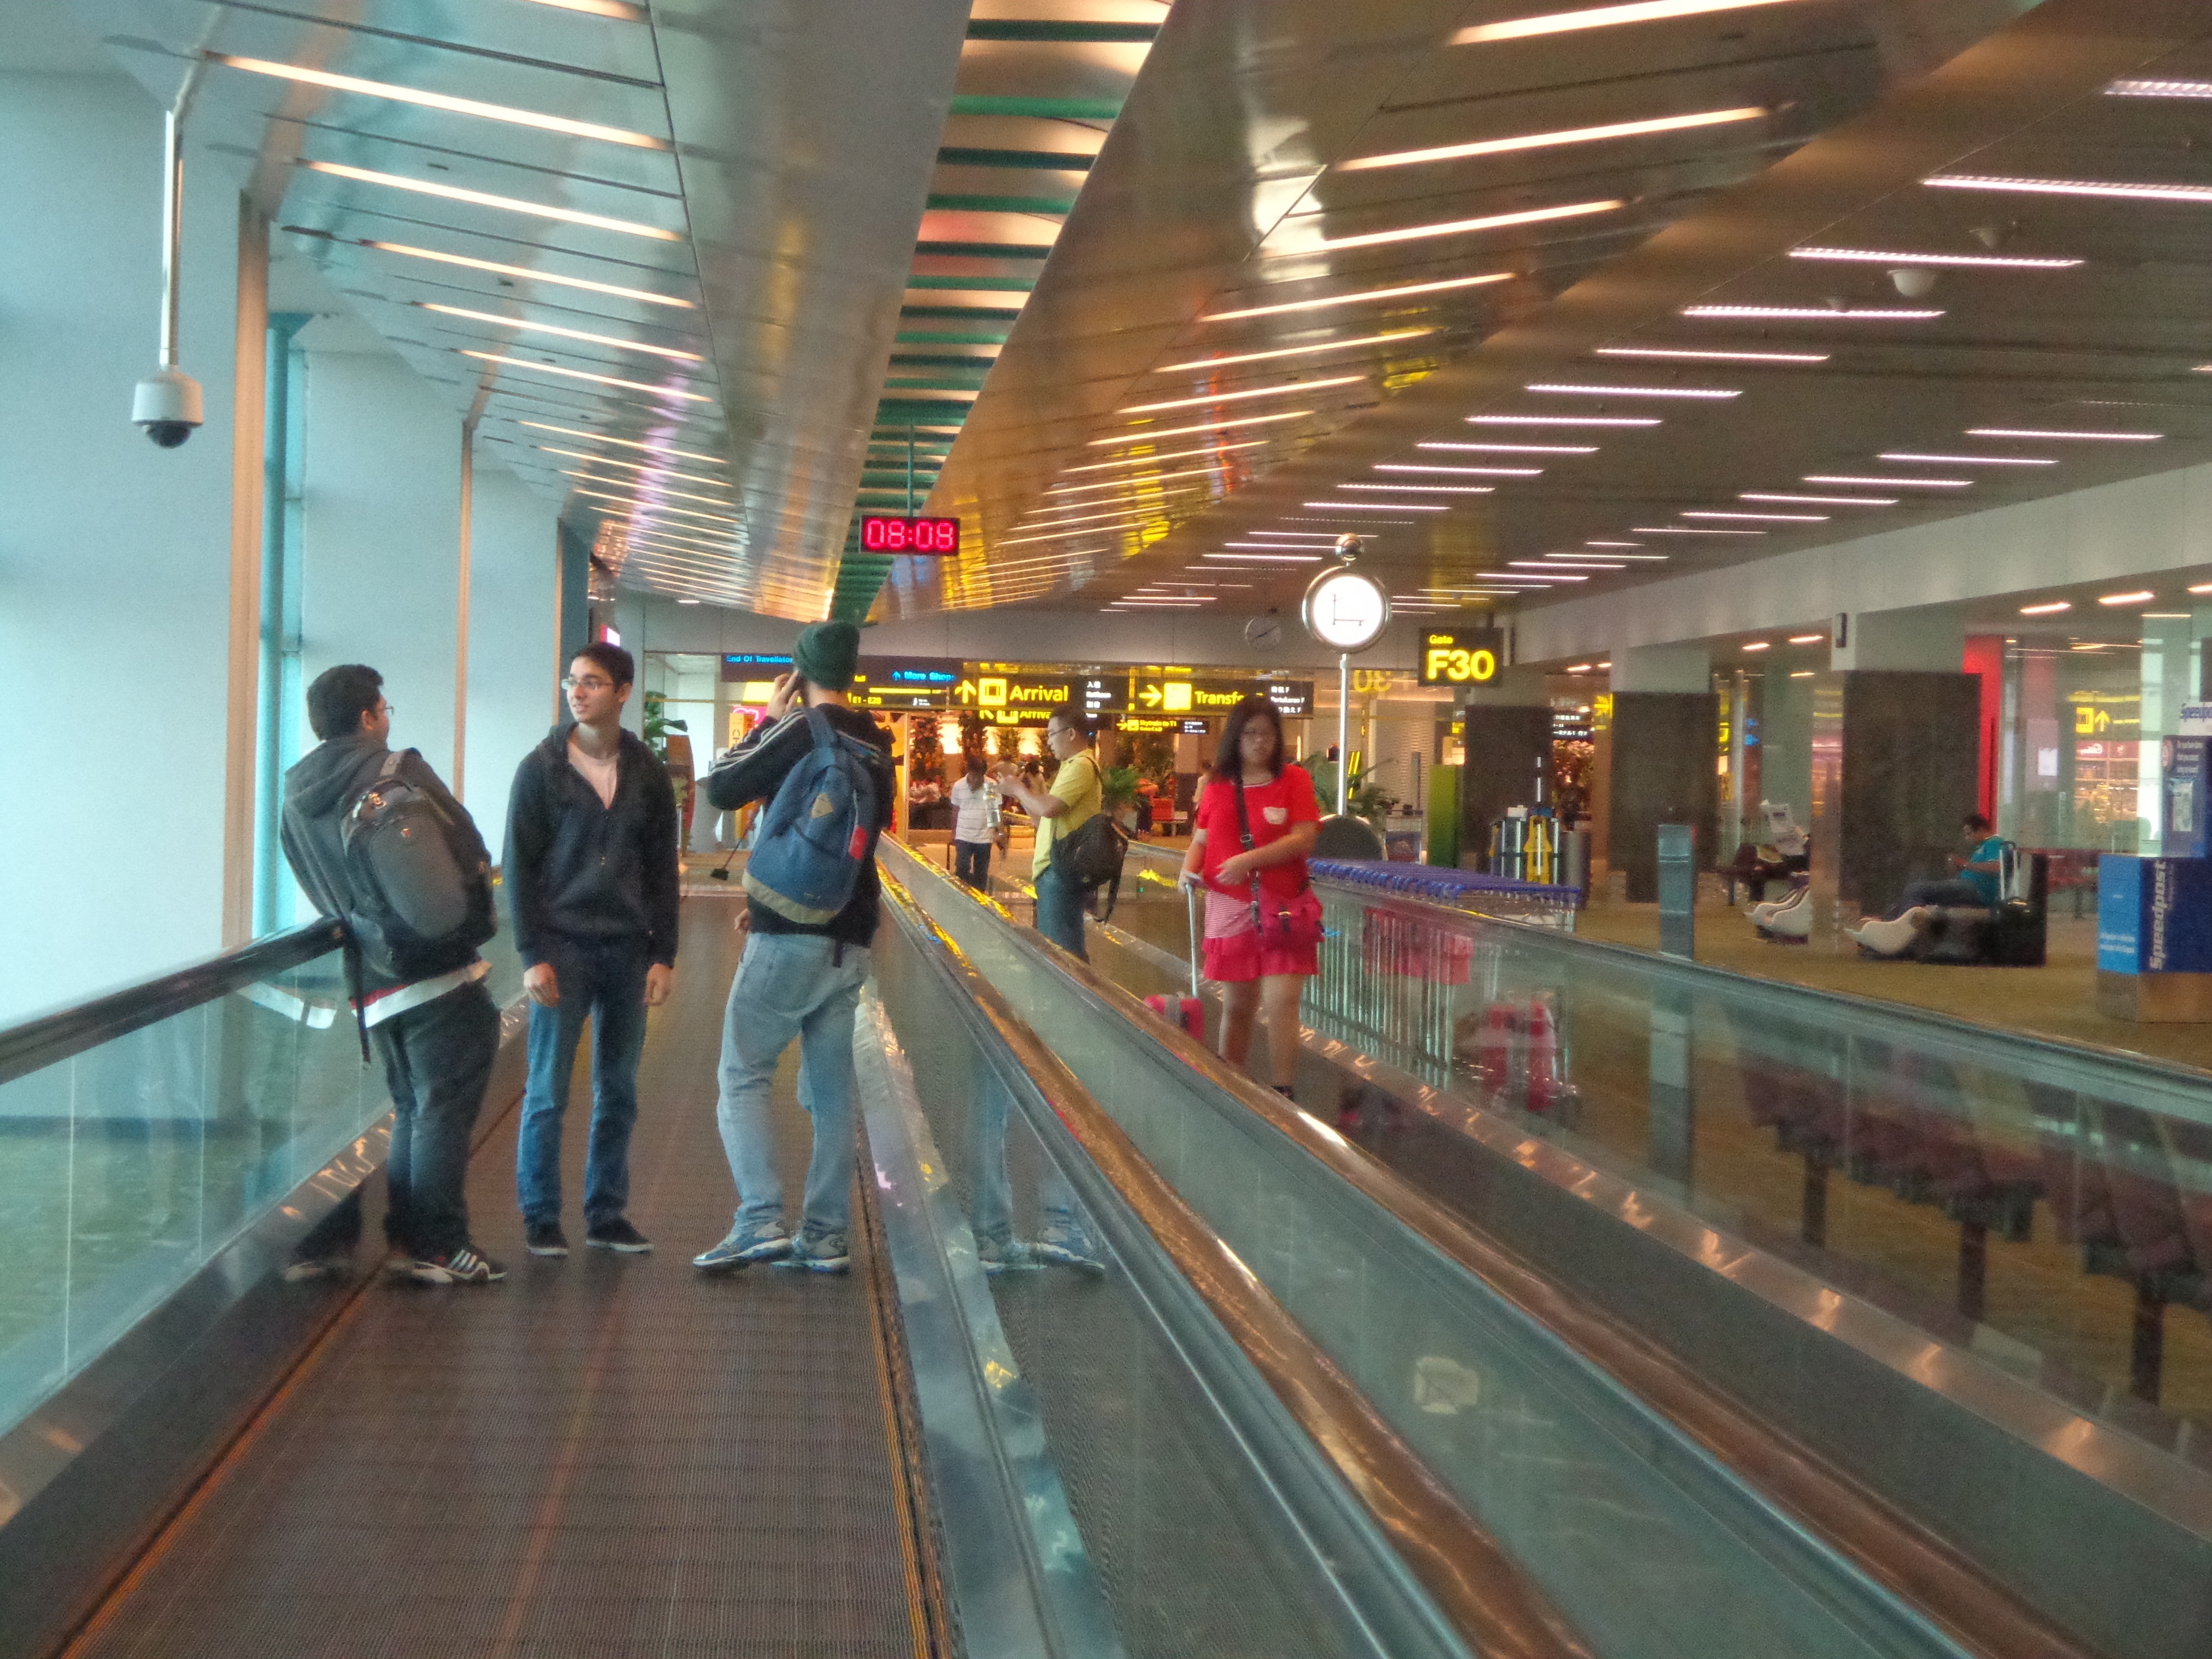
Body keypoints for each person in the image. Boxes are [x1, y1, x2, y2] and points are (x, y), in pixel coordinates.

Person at [279, 664, 505, 1286]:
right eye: (385, 708)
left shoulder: (296, 797)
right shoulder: (396, 770)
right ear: (368, 716)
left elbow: (314, 884)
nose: (388, 718)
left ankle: (415, 1240)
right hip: (437, 971)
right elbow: (466, 842)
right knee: (439, 1109)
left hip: (371, 979)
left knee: (413, 1105)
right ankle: (434, 1243)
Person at [692, 621, 895, 1276]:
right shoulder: (877, 741)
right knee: (833, 1092)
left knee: (743, 1074)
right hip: (851, 938)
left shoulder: (805, 727)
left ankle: (759, 1219)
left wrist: (766, 720)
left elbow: (721, 789)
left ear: (800, 673)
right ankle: (827, 1234)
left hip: (790, 939)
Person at [505, 642, 680, 1258]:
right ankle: (541, 1215)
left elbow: (662, 869)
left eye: (593, 683)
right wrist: (531, 953)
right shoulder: (542, 769)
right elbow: (519, 868)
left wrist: (665, 954)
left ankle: (606, 1213)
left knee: (619, 1088)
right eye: (573, 682)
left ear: (623, 692)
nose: (578, 693)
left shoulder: (647, 772)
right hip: (563, 946)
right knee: (548, 1088)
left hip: (628, 950)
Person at [1179, 696, 1322, 1095]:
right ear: (1235, 738)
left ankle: (1283, 1089)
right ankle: (1232, 1082)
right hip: (1230, 905)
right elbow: (1202, 840)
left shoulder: (1295, 781)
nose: (1261, 742)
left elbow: (1304, 838)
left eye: (1268, 733)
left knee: (1283, 1002)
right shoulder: (1217, 786)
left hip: (1285, 907)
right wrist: (1188, 868)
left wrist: (1249, 860)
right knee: (1238, 1006)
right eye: (1251, 733)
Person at [997, 706, 1103, 959]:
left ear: (1071, 734)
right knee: (1061, 949)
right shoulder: (1071, 766)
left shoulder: (1082, 765)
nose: (1049, 742)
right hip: (1053, 869)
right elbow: (1041, 818)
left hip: (1061, 871)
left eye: (1052, 734)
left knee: (1063, 955)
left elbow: (1049, 808)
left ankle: (1074, 998)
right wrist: (1027, 790)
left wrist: (1018, 791)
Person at [1846, 813, 2007, 952]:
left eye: (1969, 833)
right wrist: (1957, 867)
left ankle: (1903, 936)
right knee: (1916, 893)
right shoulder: (1983, 847)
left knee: (1918, 889)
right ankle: (1891, 924)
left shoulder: (1994, 842)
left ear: (1980, 830)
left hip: (1976, 891)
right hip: (1966, 887)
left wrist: (1964, 864)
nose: (1967, 838)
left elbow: (1998, 866)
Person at [949, 753, 1004, 891]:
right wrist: (954, 833)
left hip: (984, 837)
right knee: (962, 868)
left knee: (981, 873)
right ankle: (962, 896)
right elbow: (956, 811)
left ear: (983, 775)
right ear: (968, 772)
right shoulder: (958, 786)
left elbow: (995, 811)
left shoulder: (991, 785)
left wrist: (1000, 833)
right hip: (964, 835)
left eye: (979, 778)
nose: (975, 781)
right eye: (973, 776)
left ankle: (979, 900)